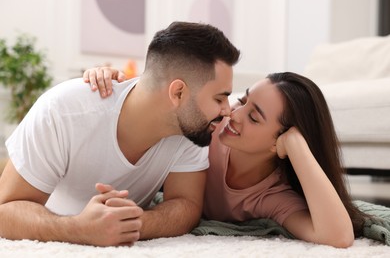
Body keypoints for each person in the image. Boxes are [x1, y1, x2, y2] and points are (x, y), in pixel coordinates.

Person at [0, 21, 240, 247]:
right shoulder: (62, 111)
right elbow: (4, 210)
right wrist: (77, 229)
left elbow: (186, 205)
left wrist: (132, 222)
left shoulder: (191, 128)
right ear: (178, 93)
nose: (227, 110)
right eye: (220, 98)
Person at [85, 69, 368, 248]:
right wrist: (116, 82)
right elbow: (161, 100)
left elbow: (338, 237)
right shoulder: (209, 126)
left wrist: (296, 145)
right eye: (243, 101)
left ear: (277, 143)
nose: (233, 114)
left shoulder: (270, 196)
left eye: (254, 117)